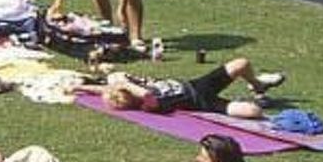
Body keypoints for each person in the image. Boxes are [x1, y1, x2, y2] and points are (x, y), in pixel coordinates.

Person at [101, 58, 286, 120]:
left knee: (241, 63)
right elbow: (148, 95)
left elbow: (107, 86)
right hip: (201, 102)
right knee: (254, 111)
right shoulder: (147, 105)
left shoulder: (143, 87)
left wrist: (79, 86)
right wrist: (125, 85)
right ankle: (251, 98)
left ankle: (258, 86)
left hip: (198, 84)